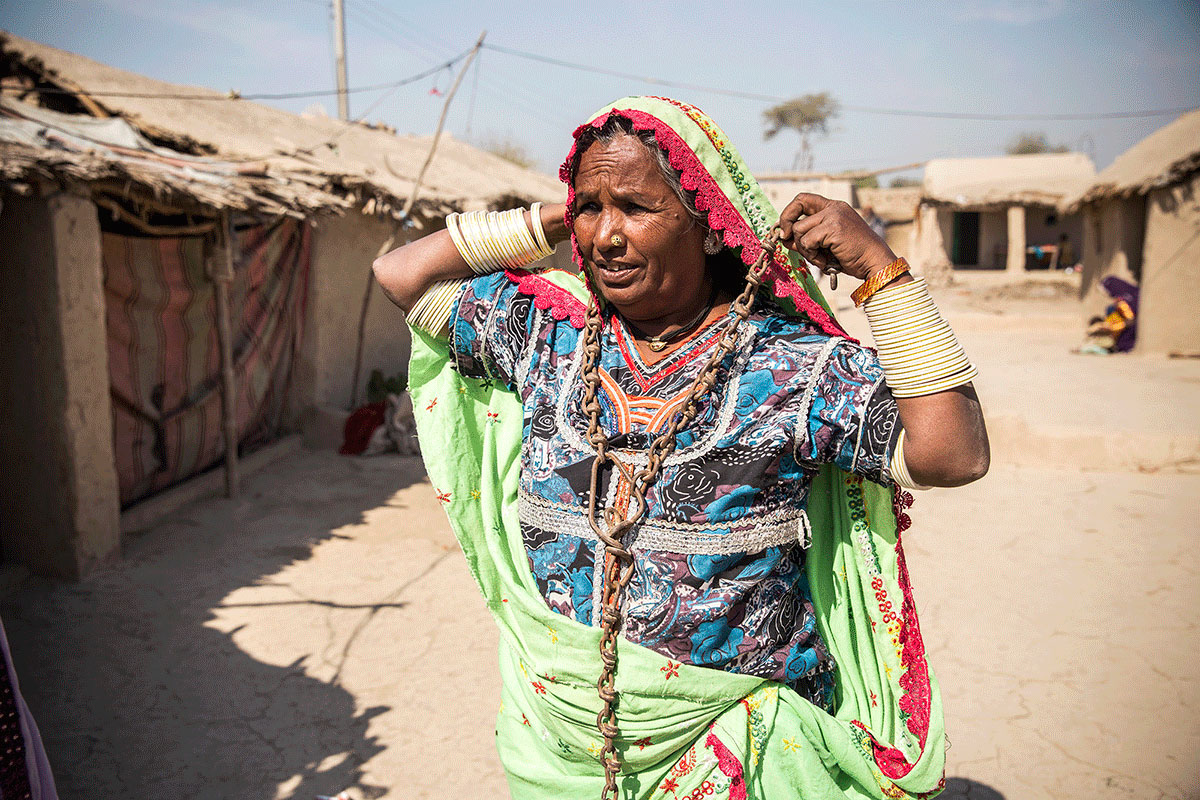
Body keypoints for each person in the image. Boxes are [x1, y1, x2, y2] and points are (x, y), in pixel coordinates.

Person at [373, 97, 989, 800]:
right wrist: (554, 216)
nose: (605, 236)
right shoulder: (546, 336)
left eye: (636, 207)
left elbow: (953, 454)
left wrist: (881, 268)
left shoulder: (790, 368)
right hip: (556, 741)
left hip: (731, 751)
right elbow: (401, 274)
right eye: (591, 208)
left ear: (710, 226)